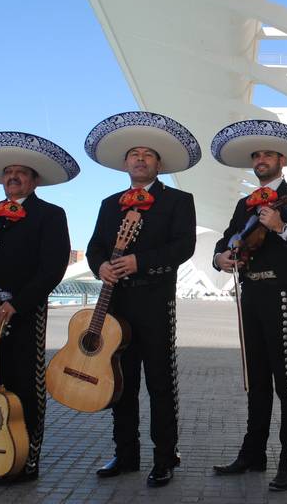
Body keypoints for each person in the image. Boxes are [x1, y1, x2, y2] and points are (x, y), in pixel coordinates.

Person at [210, 119, 287, 492]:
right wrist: (220, 258)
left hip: (282, 293)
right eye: (256, 155)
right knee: (255, 379)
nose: (261, 159)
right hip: (251, 294)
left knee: (286, 381)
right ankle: (252, 454)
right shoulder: (245, 203)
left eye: (267, 154)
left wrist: (280, 226)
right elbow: (228, 240)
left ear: (282, 159)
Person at [85, 112, 199, 487]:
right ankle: (126, 453)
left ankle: (165, 456)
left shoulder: (179, 200)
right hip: (116, 305)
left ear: (158, 164)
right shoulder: (108, 203)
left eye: (147, 154)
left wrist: (140, 261)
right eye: (133, 154)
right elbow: (95, 246)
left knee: (160, 382)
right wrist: (101, 265)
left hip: (154, 301)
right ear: (125, 163)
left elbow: (184, 245)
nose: (139, 159)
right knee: (121, 381)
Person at [0, 131, 77, 482]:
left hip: (25, 312)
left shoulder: (50, 215)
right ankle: (1, 448)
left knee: (28, 385)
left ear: (34, 179)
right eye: (8, 172)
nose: (13, 177)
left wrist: (20, 304)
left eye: (21, 172)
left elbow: (52, 268)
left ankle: (27, 458)